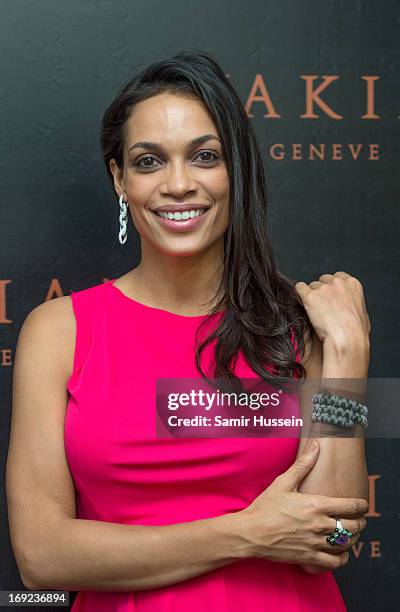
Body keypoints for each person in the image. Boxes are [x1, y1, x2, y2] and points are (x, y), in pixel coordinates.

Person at [6, 50, 371, 611]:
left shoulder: (301, 326)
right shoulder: (58, 332)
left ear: (236, 172)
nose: (178, 184)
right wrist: (246, 532)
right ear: (119, 179)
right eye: (149, 161)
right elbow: (40, 558)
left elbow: (335, 538)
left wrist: (347, 357)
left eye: (204, 156)